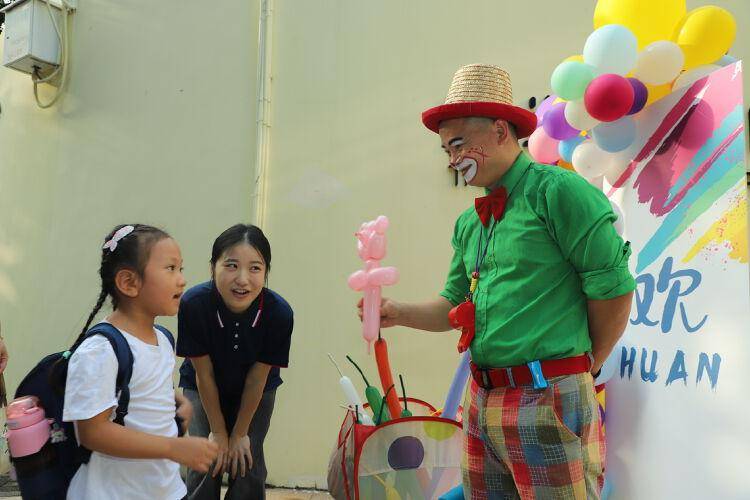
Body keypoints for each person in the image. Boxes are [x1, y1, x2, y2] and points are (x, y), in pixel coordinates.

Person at [360, 64, 635, 499]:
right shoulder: (470, 222)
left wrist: (584, 365)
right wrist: (397, 313)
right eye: (446, 151)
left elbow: (613, 288)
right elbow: (453, 305)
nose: (452, 159)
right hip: (481, 400)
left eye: (458, 144)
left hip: (547, 395)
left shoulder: (558, 191)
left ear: (500, 131)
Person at [63, 224, 218, 500]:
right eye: (170, 269)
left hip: (165, 490)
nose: (182, 280)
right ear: (129, 283)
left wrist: (174, 402)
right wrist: (172, 447)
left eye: (181, 269)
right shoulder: (100, 350)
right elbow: (92, 432)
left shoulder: (164, 338)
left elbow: (138, 394)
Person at [177, 224, 293, 500]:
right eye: (231, 265)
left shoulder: (279, 313)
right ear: (212, 267)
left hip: (257, 389)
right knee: (207, 457)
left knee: (246, 458)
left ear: (266, 273)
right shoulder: (194, 305)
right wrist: (218, 432)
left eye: (255, 268)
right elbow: (203, 374)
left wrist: (239, 434)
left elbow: (258, 377)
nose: (243, 279)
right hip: (200, 384)